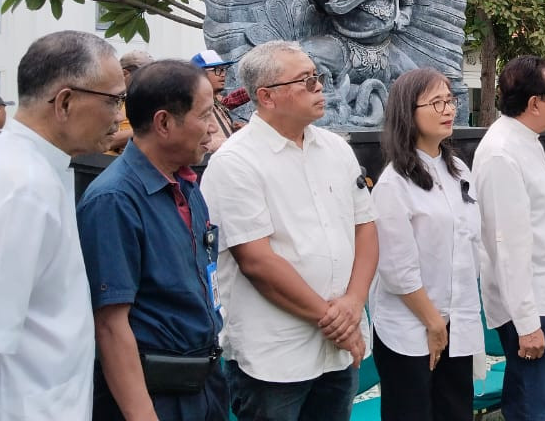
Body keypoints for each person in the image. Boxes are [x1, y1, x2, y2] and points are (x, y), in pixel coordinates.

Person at [0, 30, 125, 419]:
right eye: (114, 100)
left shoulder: (31, 167)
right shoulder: (20, 184)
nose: (119, 116)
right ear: (66, 102)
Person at [202, 40, 378, 421]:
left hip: (337, 348)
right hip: (275, 355)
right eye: (306, 80)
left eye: (318, 76)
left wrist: (353, 302)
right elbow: (257, 261)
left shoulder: (336, 149)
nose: (320, 86)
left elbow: (365, 228)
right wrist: (335, 322)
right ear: (266, 96)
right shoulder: (235, 162)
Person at [76, 60, 228, 421]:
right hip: (155, 397)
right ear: (164, 123)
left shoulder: (187, 185)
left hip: (204, 387)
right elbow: (111, 326)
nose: (212, 129)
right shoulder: (114, 200)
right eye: (205, 115)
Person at [473, 56, 545, 421]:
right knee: (534, 406)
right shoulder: (501, 153)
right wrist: (526, 324)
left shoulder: (525, 141)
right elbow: (507, 246)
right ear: (534, 102)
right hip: (530, 303)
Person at [370, 69, 482, 421]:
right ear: (408, 112)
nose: (448, 109)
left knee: (456, 411)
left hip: (455, 321)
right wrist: (433, 324)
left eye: (449, 100)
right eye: (436, 102)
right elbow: (396, 269)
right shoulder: (394, 183)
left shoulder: (458, 170)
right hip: (410, 327)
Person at [191, 49, 239, 152]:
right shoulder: (194, 104)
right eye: (217, 70)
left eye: (224, 70)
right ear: (200, 74)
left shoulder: (216, 101)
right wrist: (236, 142)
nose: (223, 74)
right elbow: (198, 142)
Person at [108, 49, 155, 153]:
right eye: (145, 75)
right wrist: (149, 132)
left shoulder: (150, 102)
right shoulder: (108, 100)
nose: (150, 80)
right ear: (125, 74)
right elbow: (106, 141)